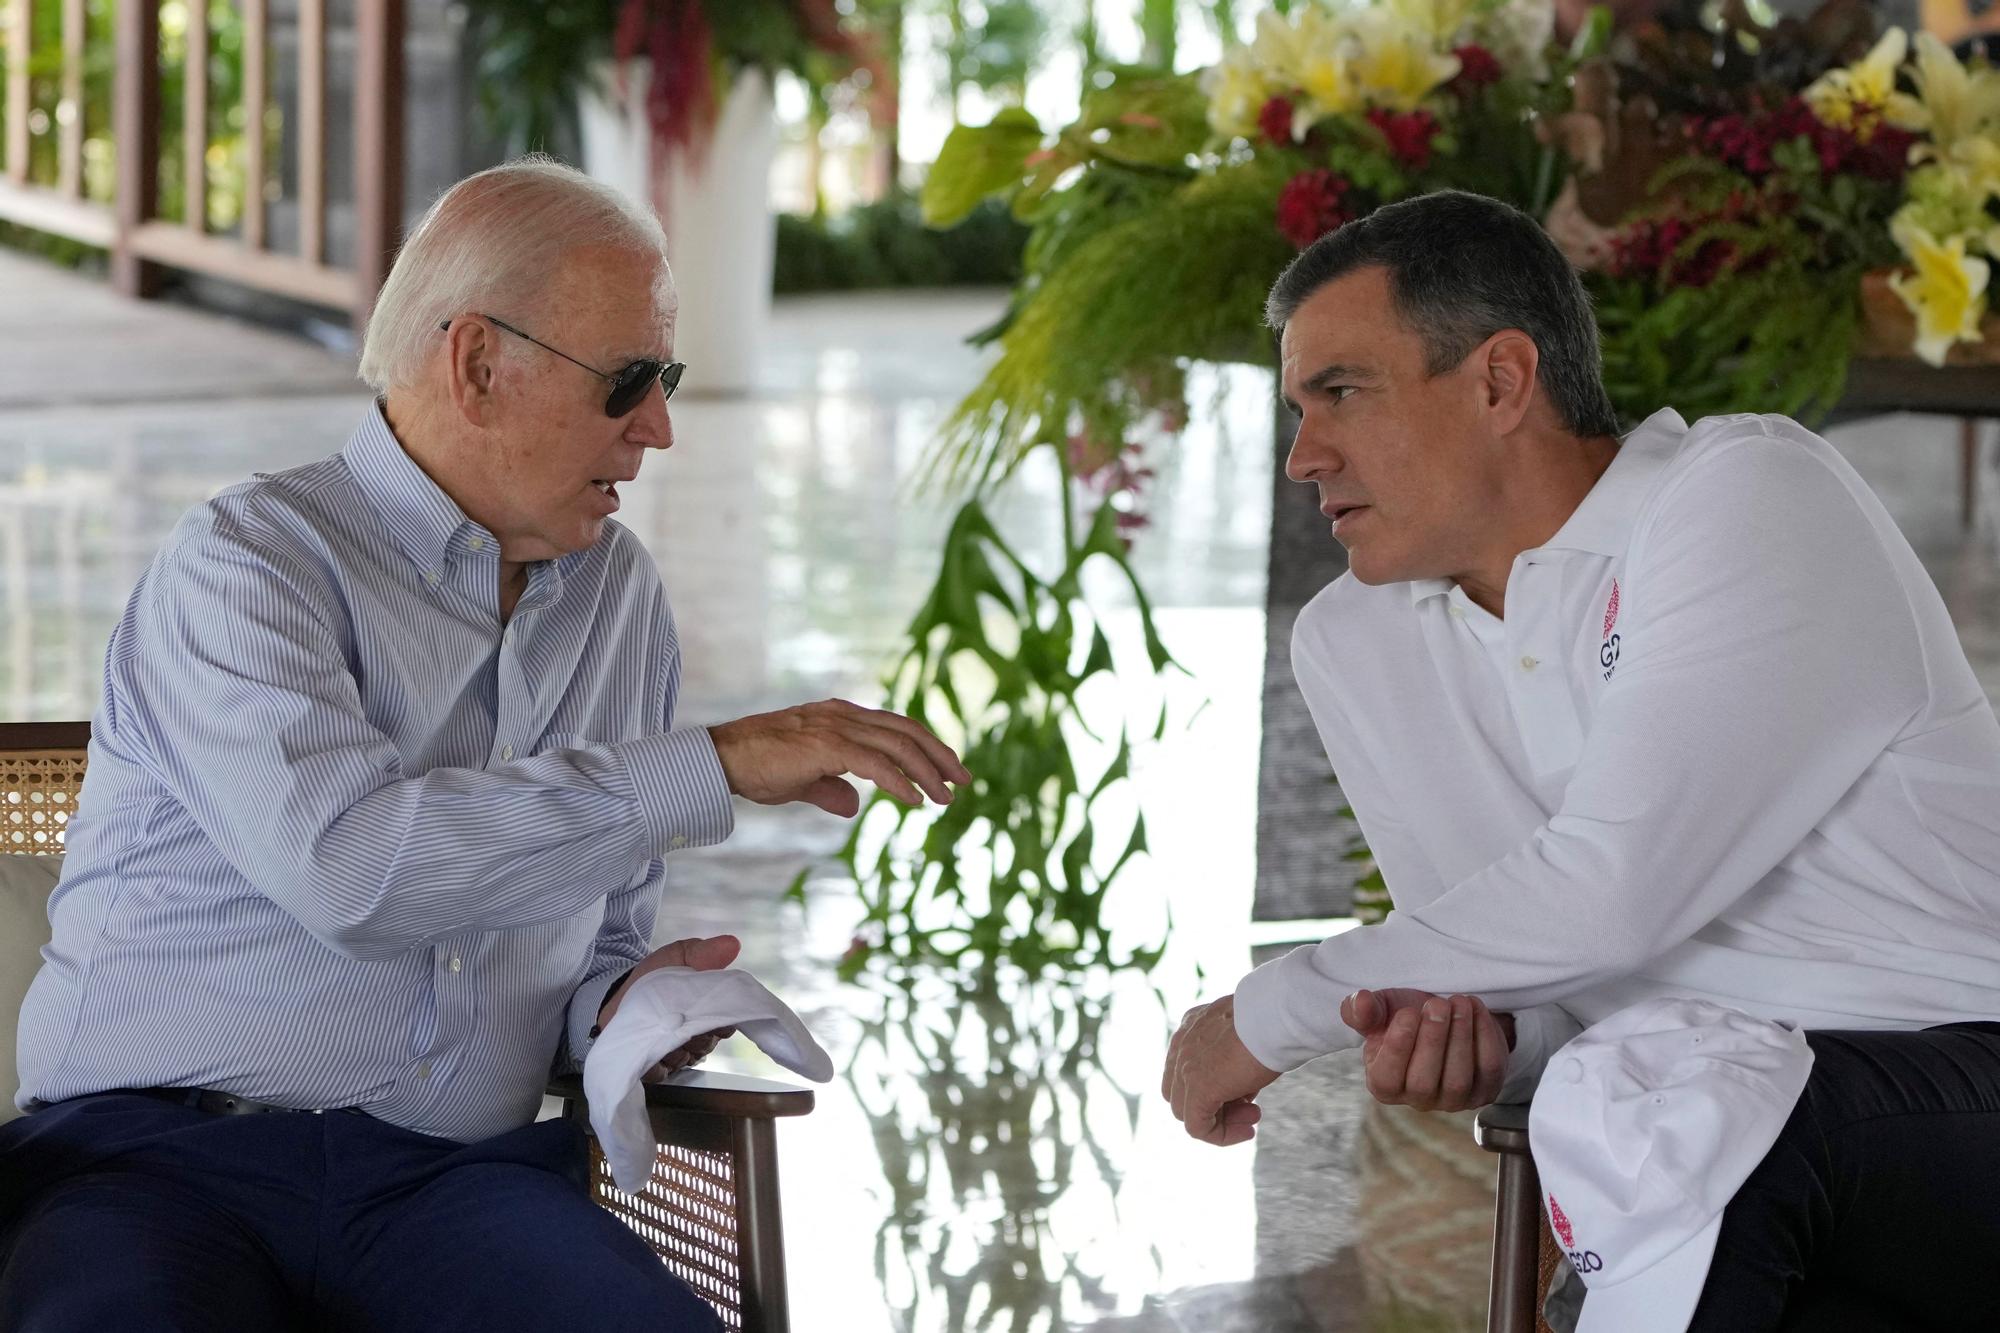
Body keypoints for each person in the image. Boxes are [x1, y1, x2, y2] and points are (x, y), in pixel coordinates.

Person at [0, 157, 969, 1331]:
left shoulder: (619, 598)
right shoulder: (249, 563)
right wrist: (710, 766)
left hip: (446, 1186)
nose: (659, 427)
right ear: (476, 365)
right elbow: (353, 874)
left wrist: (616, 1009)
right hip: (152, 1164)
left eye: (662, 379)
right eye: (627, 382)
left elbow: (594, 929)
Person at [1160, 189, 2000, 1326]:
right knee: (1670, 1114)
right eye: (1297, 408)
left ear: (1501, 380)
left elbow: (1607, 892)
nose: (1305, 455)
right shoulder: (1354, 643)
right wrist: (1482, 1039)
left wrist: (1258, 1019)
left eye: (1341, 393)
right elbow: (1530, 974)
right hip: (1696, 1123)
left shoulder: (1744, 496)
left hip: (1956, 1076)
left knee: (1684, 1114)